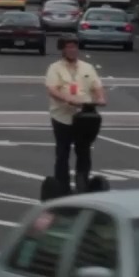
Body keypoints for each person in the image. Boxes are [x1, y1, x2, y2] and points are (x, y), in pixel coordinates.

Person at [44, 36, 106, 192]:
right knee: (63, 153)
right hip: (62, 117)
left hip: (85, 117)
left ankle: (82, 184)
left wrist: (100, 98)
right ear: (63, 49)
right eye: (69, 47)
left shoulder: (87, 67)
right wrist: (68, 98)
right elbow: (52, 89)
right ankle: (62, 187)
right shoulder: (55, 68)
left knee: (84, 152)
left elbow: (96, 85)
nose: (72, 50)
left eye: (74, 47)